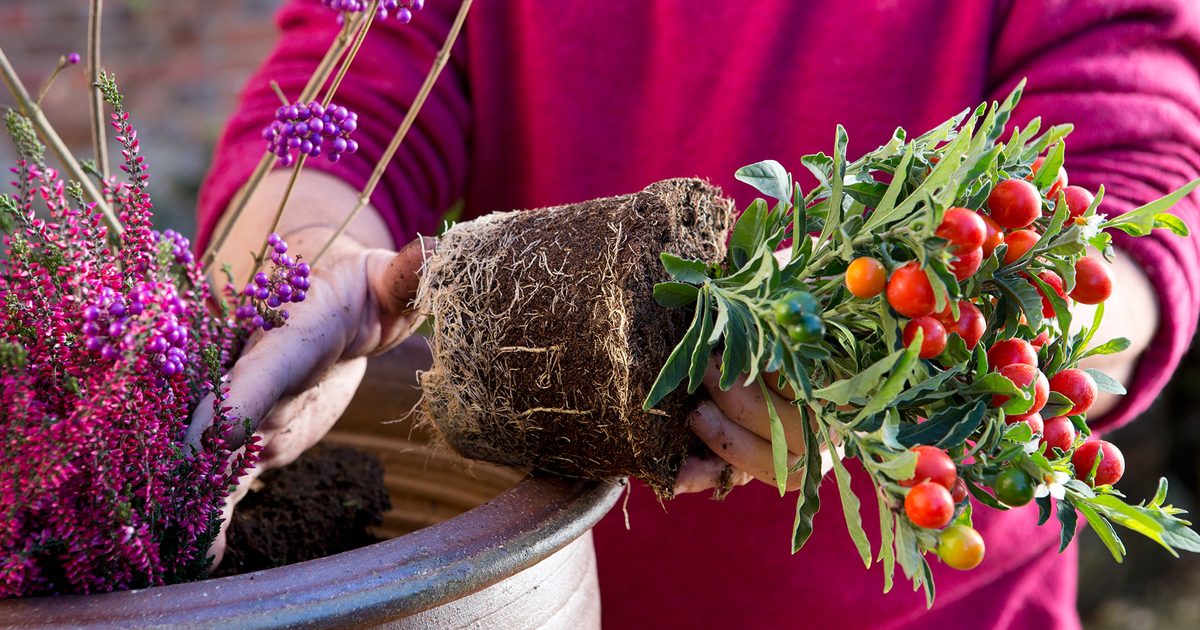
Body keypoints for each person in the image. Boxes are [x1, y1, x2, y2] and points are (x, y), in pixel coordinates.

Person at [196, 1, 1200, 627]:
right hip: (539, 596)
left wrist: (917, 373)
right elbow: (351, 85)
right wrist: (308, 274)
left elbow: (1128, 189)